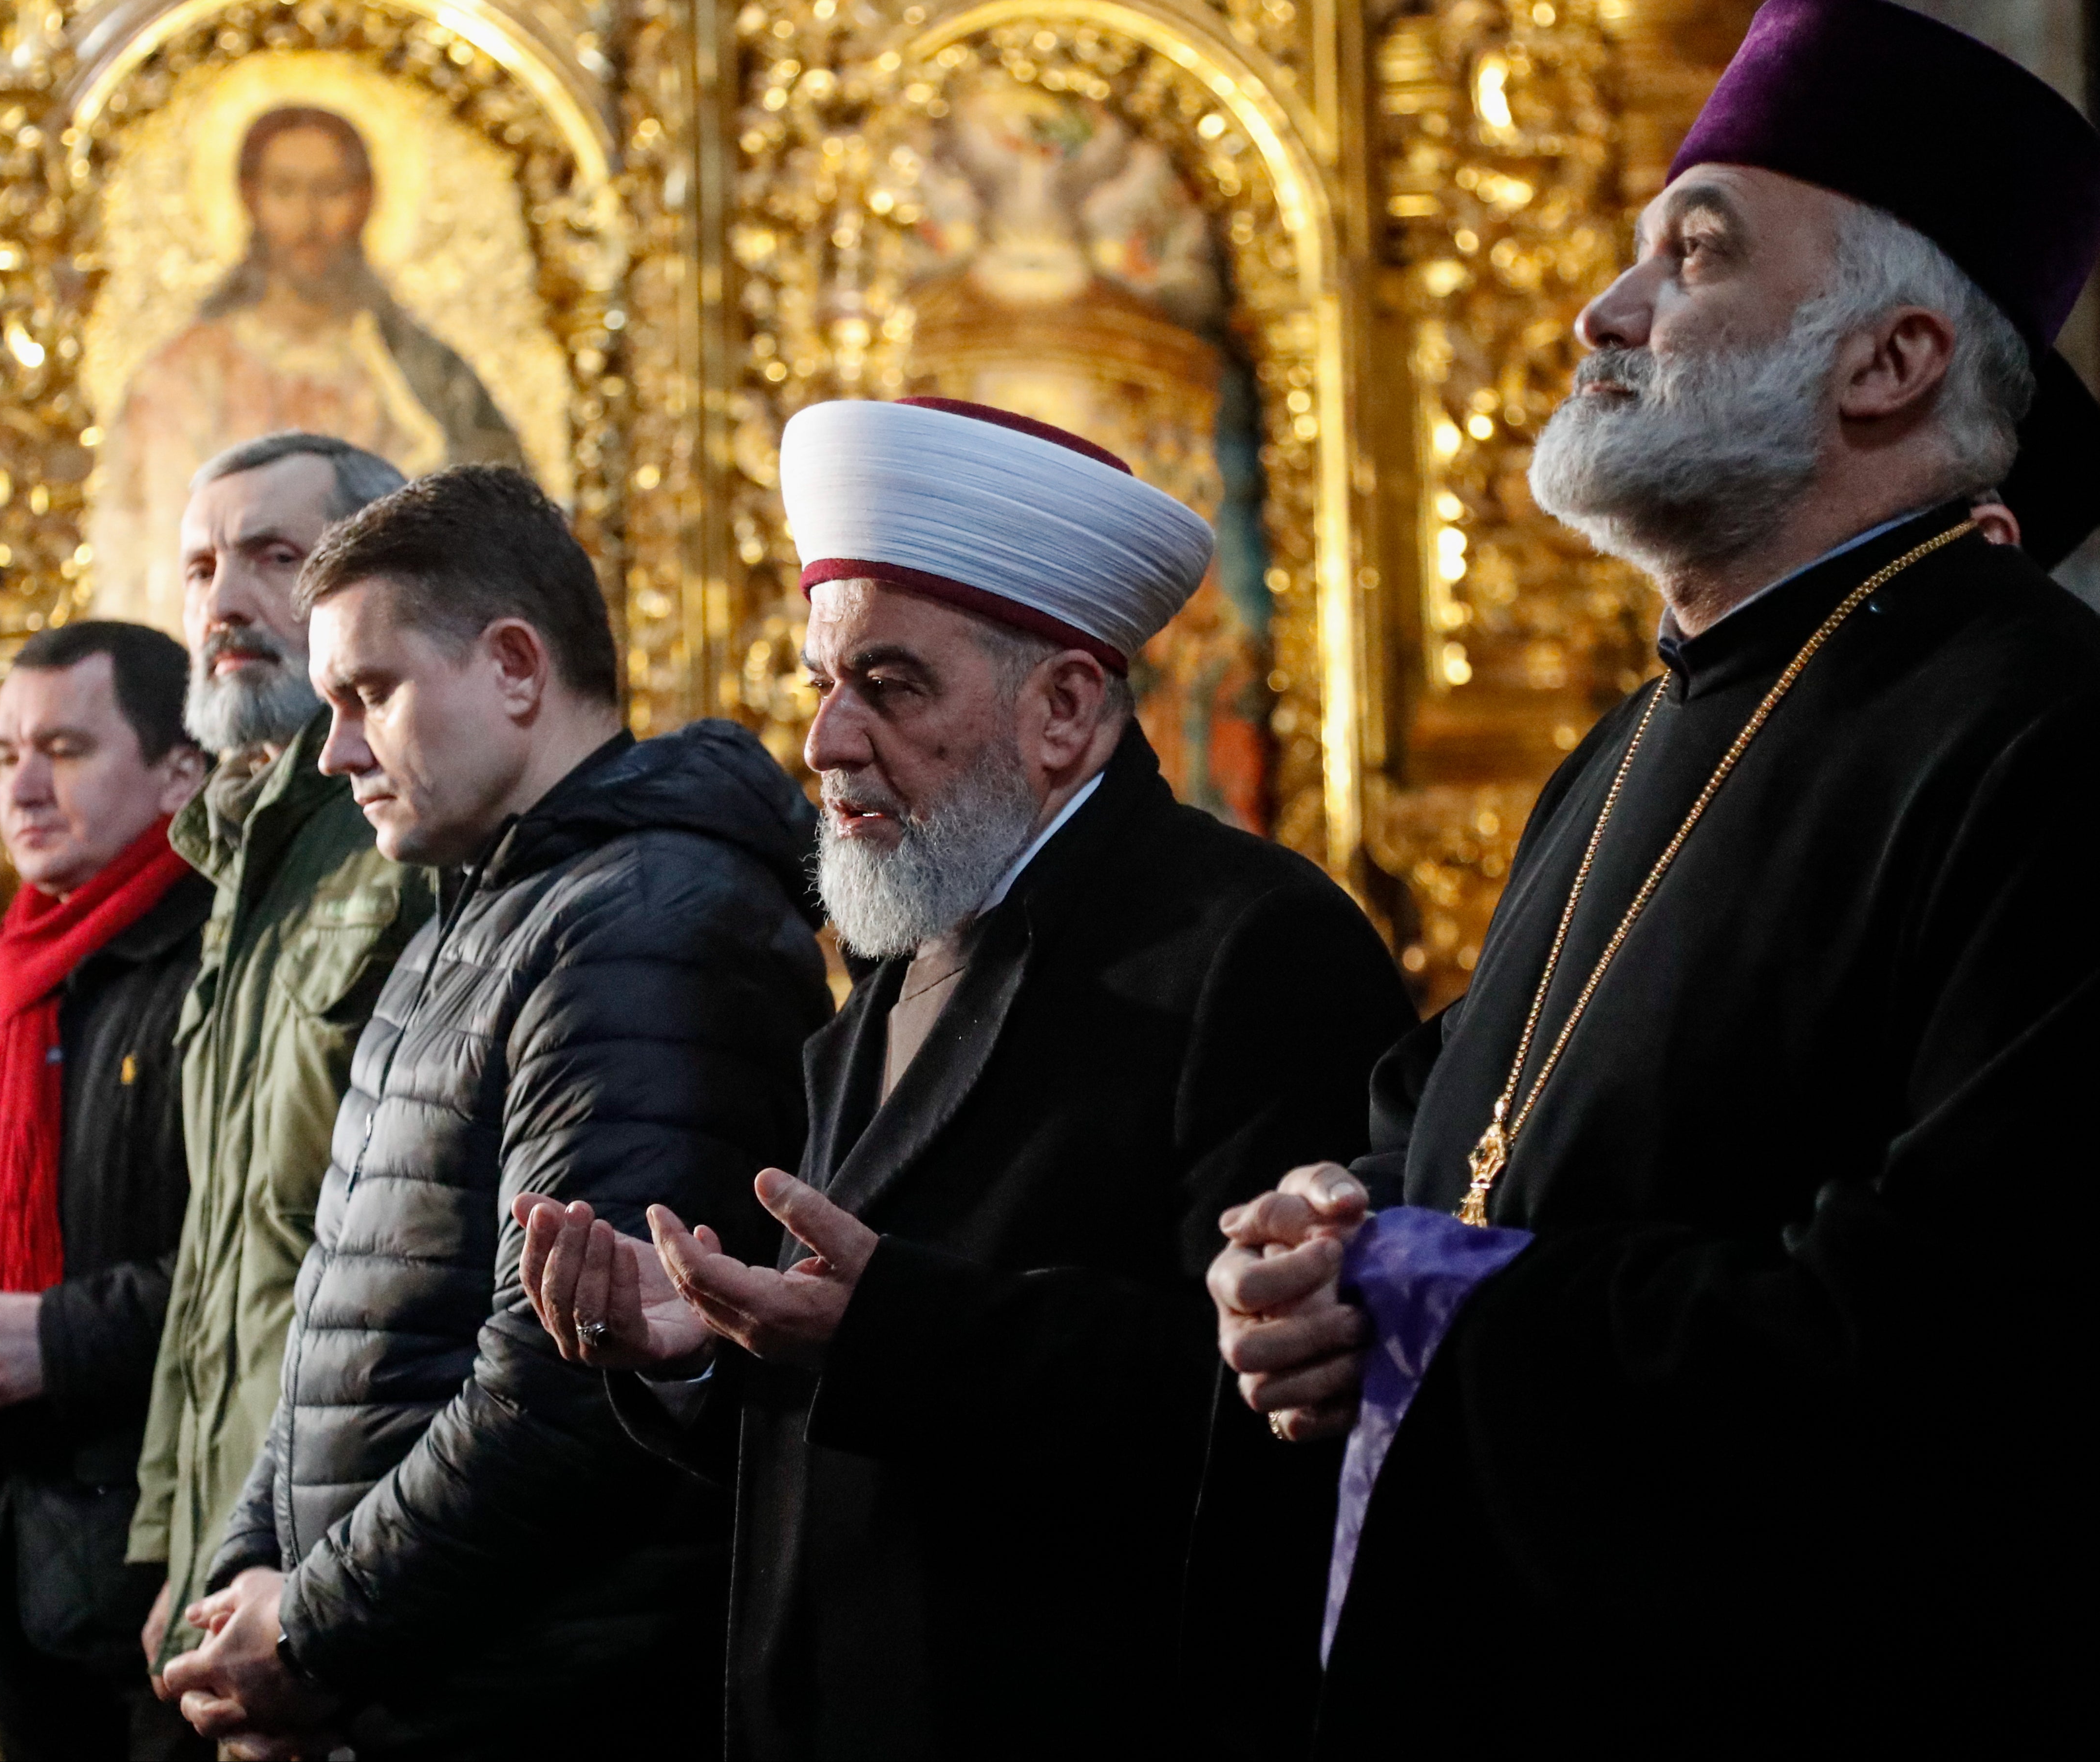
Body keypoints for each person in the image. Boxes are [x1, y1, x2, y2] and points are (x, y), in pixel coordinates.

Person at [1208, 0, 2100, 1748]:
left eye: (1691, 255)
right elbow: (1454, 1127)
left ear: (1890, 361)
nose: (1601, 312)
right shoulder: (1626, 749)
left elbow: (1957, 1350)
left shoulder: (2041, 738)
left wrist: (1429, 1294)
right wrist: (1317, 1235)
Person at [520, 398, 1414, 1758]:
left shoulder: (1251, 943)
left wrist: (885, 1324)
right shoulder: (900, 952)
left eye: (888, 685)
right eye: (821, 683)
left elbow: (1263, 1403)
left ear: (1062, 706)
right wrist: (706, 1351)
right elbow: (843, 1422)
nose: (823, 741)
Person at [159, 464, 831, 1759]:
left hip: (545, 1696)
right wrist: (248, 1575)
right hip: (417, 1675)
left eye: (368, 695)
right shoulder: (478, 911)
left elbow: (568, 1390)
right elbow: (337, 1308)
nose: (337, 747)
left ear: (517, 668)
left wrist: (313, 1632)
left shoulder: (647, 923)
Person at [127, 432, 436, 1691]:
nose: (228, 602)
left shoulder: (407, 842)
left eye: (275, 558)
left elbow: (409, 1265)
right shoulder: (232, 866)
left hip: (345, 1564)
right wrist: (169, 1540)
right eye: (201, 567)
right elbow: (217, 1259)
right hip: (230, 1549)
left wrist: (311, 1579)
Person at [0, 623, 211, 1762]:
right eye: (1, 751)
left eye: (64, 748)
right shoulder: (9, 967)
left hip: (161, 1546)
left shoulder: (215, 960)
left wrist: (58, 1338)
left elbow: (259, 1256)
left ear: (180, 768)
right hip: (10, 1537)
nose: (20, 785)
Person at [91, 106, 522, 629]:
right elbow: (150, 555)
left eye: (331, 190)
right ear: (250, 198)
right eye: (286, 190)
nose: (309, 220)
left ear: (365, 200)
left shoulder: (422, 374)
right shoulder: (185, 375)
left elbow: (498, 535)